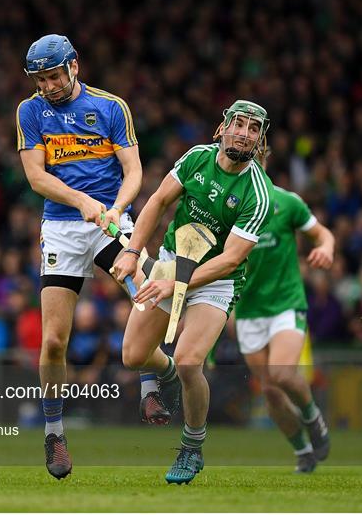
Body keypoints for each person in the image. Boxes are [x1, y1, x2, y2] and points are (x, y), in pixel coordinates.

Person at [113, 100, 275, 484]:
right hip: (170, 261)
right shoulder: (196, 159)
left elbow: (231, 260)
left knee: (189, 360)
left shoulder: (258, 192)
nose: (244, 134)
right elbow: (157, 202)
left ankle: (192, 445)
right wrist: (134, 250)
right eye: (238, 124)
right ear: (222, 128)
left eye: (253, 130)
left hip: (216, 280)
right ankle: (164, 372)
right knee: (133, 356)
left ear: (259, 140)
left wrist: (176, 284)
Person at [16, 34, 142, 479]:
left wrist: (116, 210)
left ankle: (152, 382)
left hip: (110, 219)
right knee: (53, 341)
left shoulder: (111, 107)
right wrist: (80, 202)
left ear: (74, 66)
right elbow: (36, 177)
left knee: (145, 296)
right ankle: (54, 432)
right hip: (63, 228)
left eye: (53, 76)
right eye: (40, 79)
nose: (47, 85)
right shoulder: (30, 111)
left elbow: (134, 171)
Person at [233, 153, 335, 473]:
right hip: (249, 310)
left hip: (286, 304)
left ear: (264, 160)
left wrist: (326, 248)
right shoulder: (229, 205)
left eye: (256, 157)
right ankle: (303, 450)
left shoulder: (287, 202)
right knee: (271, 392)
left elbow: (323, 234)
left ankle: (312, 415)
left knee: (281, 373)